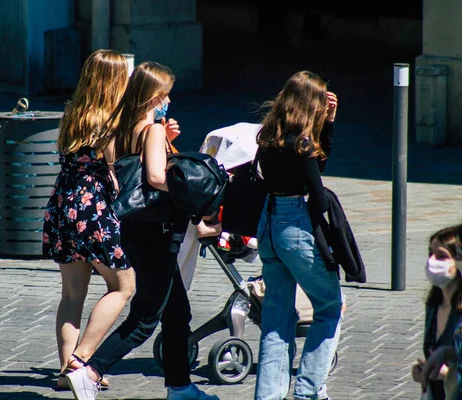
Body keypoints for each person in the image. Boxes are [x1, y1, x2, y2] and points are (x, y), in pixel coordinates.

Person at [65, 61, 219, 400]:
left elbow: (120, 176)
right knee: (146, 317)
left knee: (177, 312)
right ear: (154, 96)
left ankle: (180, 387)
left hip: (132, 229)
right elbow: (155, 178)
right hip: (157, 232)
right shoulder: (153, 130)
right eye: (166, 95)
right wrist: (194, 191)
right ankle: (91, 370)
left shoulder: (117, 129)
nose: (169, 102)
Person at [42, 49, 135, 391]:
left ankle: (66, 371)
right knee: (123, 286)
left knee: (71, 295)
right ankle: (81, 361)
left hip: (63, 205)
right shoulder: (111, 119)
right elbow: (115, 164)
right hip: (92, 211)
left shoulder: (72, 113)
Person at [254, 70, 342, 400]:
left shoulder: (268, 135)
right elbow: (317, 194)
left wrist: (328, 126)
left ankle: (268, 396)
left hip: (268, 223)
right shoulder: (303, 144)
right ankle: (307, 392)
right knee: (330, 305)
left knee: (277, 318)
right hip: (294, 224)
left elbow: (313, 166)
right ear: (311, 105)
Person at [419, 224, 462, 400]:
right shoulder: (433, 305)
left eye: (441, 256)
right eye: (430, 254)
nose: (432, 261)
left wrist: (449, 373)